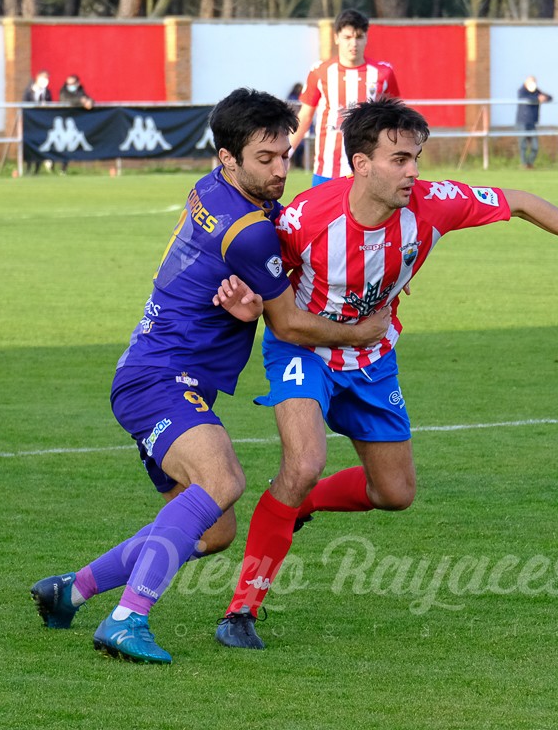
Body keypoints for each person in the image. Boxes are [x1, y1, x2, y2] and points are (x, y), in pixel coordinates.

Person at [215, 98, 558, 650]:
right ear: (362, 164)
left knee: (395, 492)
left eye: (416, 158)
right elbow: (265, 284)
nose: (413, 172)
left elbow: (520, 201)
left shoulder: (433, 204)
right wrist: (245, 301)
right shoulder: (304, 218)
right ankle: (241, 610)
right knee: (303, 463)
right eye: (399, 159)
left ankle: (302, 503)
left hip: (374, 359)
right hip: (304, 351)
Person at [28, 89, 390, 665]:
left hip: (156, 373)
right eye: (265, 159)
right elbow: (290, 323)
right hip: (159, 378)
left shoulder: (213, 188)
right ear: (228, 157)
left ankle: (71, 591)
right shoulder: (249, 231)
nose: (280, 170)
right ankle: (127, 619)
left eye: (285, 155)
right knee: (223, 480)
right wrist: (360, 329)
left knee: (214, 531)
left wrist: (248, 304)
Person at [289, 9, 400, 187]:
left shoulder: (383, 72)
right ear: (336, 38)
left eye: (359, 37)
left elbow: (395, 118)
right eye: (347, 37)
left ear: (366, 38)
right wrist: (286, 154)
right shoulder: (320, 71)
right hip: (327, 171)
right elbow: (305, 116)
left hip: (368, 170)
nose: (353, 43)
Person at [516, 75, 552, 169]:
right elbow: (525, 98)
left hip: (532, 122)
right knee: (523, 145)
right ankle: (524, 164)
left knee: (535, 145)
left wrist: (544, 98)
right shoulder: (522, 91)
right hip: (522, 122)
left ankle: (530, 163)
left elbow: (549, 97)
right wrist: (537, 99)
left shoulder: (536, 91)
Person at [22, 70, 53, 174]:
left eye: (47, 78)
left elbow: (50, 104)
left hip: (42, 122)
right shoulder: (29, 91)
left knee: (41, 144)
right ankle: (28, 167)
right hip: (30, 122)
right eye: (43, 77)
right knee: (29, 145)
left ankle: (37, 168)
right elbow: (24, 104)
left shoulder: (47, 92)